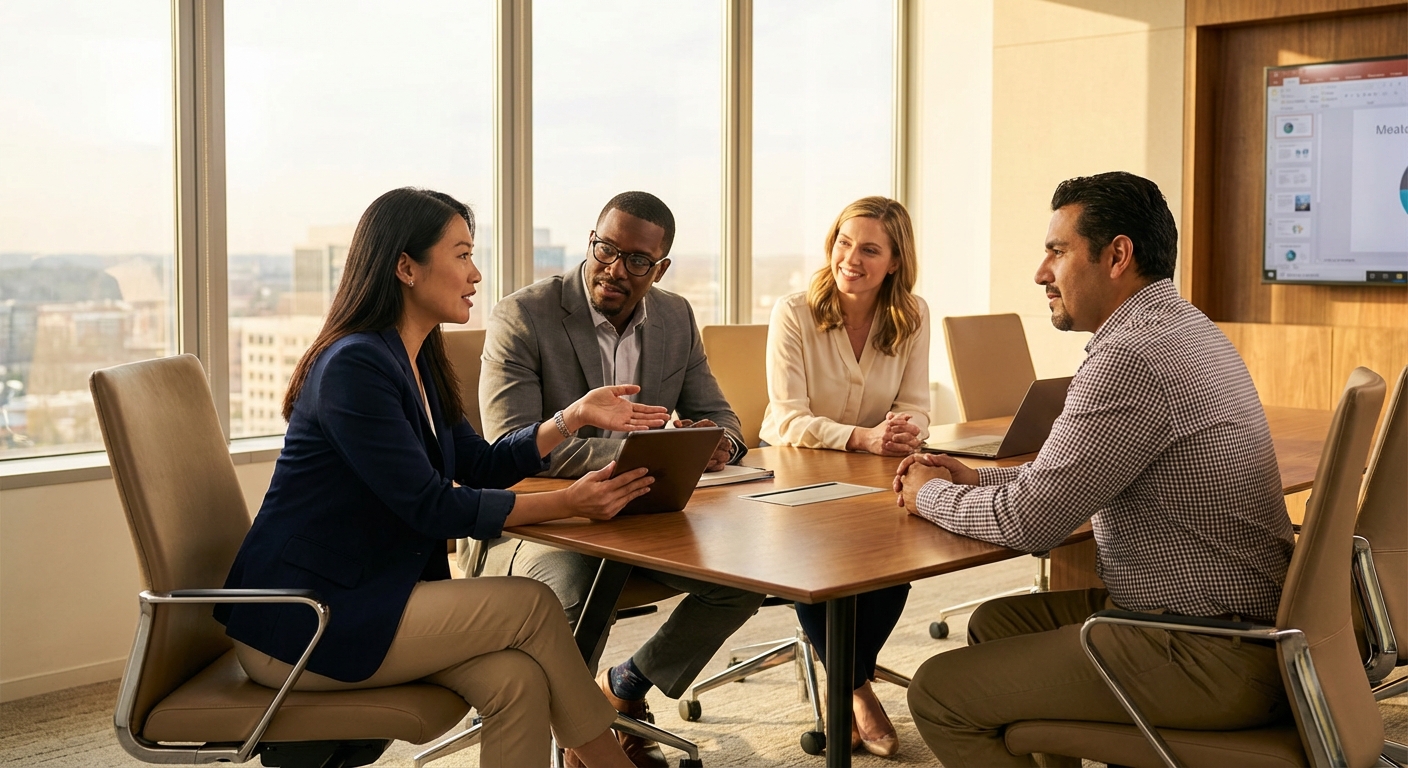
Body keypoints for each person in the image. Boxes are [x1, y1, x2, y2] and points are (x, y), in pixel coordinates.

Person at [216, 187, 676, 768]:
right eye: (461, 255)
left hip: (371, 598)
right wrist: (571, 501)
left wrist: (571, 418)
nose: (476, 273)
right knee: (531, 606)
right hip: (306, 621)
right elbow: (433, 507)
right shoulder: (354, 366)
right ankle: (610, 764)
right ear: (406, 267)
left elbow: (479, 463)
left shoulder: (417, 358)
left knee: (517, 680)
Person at [893, 172, 1294, 767]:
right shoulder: (1182, 328)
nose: (1040, 273)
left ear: (1117, 255)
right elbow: (1076, 471)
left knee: (939, 693)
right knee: (1001, 624)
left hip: (1210, 650)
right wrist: (972, 478)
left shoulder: (1130, 357)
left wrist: (928, 494)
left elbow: (1032, 523)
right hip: (1250, 627)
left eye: (1056, 251)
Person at [476, 190, 767, 768]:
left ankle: (626, 687)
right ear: (592, 241)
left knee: (746, 578)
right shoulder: (524, 315)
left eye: (636, 261)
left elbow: (725, 418)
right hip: (545, 521)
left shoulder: (675, 316)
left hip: (644, 517)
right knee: (570, 595)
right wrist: (641, 452)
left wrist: (718, 444)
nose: (613, 269)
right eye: (605, 249)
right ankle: (583, 741)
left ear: (659, 268)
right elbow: (511, 447)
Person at [759, 195, 929, 758]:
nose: (851, 259)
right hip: (795, 472)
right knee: (818, 567)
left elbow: (918, 404)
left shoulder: (913, 315)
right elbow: (786, 419)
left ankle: (844, 679)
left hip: (874, 474)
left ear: (896, 261)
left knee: (899, 563)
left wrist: (907, 429)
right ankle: (856, 688)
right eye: (843, 243)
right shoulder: (796, 311)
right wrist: (861, 437)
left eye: (870, 249)